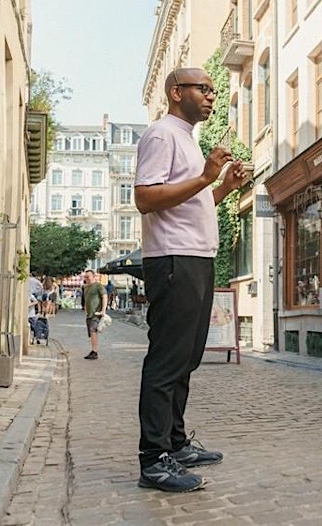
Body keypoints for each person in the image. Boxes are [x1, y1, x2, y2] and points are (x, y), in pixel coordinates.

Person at [134, 67, 249, 492]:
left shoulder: (187, 138)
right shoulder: (162, 134)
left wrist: (220, 190)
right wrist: (204, 177)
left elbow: (190, 203)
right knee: (167, 360)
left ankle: (176, 444)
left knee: (187, 358)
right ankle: (153, 459)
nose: (211, 96)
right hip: (171, 259)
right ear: (175, 91)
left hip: (196, 257)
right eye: (203, 88)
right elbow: (145, 198)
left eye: (214, 90)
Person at [82, 270, 106, 360]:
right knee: (91, 333)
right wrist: (85, 308)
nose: (86, 279)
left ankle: (94, 351)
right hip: (89, 313)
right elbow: (86, 299)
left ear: (93, 276)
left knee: (93, 331)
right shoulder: (86, 287)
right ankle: (93, 350)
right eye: (85, 277)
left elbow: (104, 296)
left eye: (88, 277)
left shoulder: (98, 286)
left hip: (96, 313)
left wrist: (103, 310)